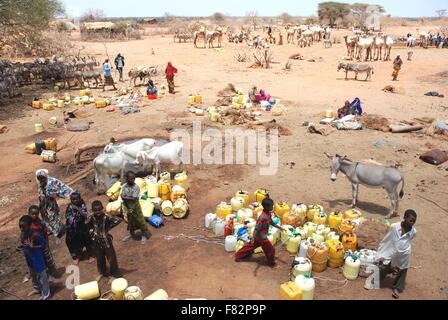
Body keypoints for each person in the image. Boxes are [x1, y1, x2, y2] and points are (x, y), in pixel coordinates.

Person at [376, 209, 417, 299]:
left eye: (414, 221)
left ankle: (397, 288)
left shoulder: (413, 231)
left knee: (402, 269)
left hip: (404, 253)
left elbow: (410, 239)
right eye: (410, 220)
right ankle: (378, 279)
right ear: (404, 218)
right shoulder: (394, 227)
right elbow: (388, 239)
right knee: (385, 264)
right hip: (391, 251)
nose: (412, 223)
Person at [235, 197, 285, 267]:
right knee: (271, 250)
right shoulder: (262, 217)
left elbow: (271, 222)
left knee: (250, 246)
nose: (273, 207)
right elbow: (257, 228)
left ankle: (238, 255)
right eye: (271, 206)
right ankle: (272, 264)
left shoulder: (268, 214)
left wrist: (280, 228)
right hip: (261, 238)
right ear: (267, 207)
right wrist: (253, 237)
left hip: (259, 236)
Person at [86, 200, 122, 281]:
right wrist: (92, 232)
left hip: (106, 240)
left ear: (102, 208)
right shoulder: (91, 217)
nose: (98, 212)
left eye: (99, 209)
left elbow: (118, 220)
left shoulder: (107, 217)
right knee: (99, 257)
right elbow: (87, 224)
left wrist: (108, 228)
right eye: (95, 210)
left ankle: (114, 274)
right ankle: (102, 272)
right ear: (92, 210)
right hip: (96, 241)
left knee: (111, 258)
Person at [17, 215, 51, 300]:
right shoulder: (23, 234)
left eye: (23, 227)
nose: (21, 229)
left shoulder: (35, 235)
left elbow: (44, 244)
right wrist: (21, 246)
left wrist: (34, 247)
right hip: (29, 259)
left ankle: (46, 293)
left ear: (30, 225)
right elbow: (25, 243)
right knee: (34, 275)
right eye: (20, 227)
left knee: (42, 276)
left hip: (37, 259)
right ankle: (39, 290)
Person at [36, 169, 73, 244]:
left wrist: (51, 197)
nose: (41, 179)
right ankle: (51, 229)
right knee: (45, 217)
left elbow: (57, 192)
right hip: (44, 203)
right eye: (39, 178)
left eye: (43, 178)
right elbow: (40, 194)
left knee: (53, 218)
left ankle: (58, 234)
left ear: (46, 177)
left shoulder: (51, 183)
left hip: (51, 204)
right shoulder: (41, 183)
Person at [28, 205, 58, 278]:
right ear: (28, 213)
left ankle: (53, 271)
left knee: (49, 259)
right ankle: (44, 274)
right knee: (40, 261)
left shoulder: (41, 223)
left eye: (36, 214)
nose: (34, 215)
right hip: (35, 247)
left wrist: (47, 243)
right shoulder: (27, 225)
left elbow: (45, 234)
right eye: (32, 214)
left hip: (43, 245)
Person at [121, 171, 150, 244]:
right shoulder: (124, 186)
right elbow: (122, 196)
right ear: (126, 178)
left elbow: (134, 198)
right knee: (130, 221)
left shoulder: (136, 187)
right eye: (130, 178)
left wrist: (125, 197)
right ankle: (131, 234)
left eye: (133, 178)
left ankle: (144, 235)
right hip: (127, 206)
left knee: (140, 220)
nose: (132, 180)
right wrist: (127, 199)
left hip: (135, 207)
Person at [65, 192, 93, 264]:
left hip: (82, 225)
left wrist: (78, 209)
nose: (74, 201)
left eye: (76, 199)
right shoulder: (69, 206)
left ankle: (90, 255)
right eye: (73, 199)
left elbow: (85, 215)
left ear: (80, 199)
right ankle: (77, 256)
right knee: (72, 241)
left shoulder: (82, 204)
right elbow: (67, 217)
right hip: (73, 228)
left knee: (87, 239)